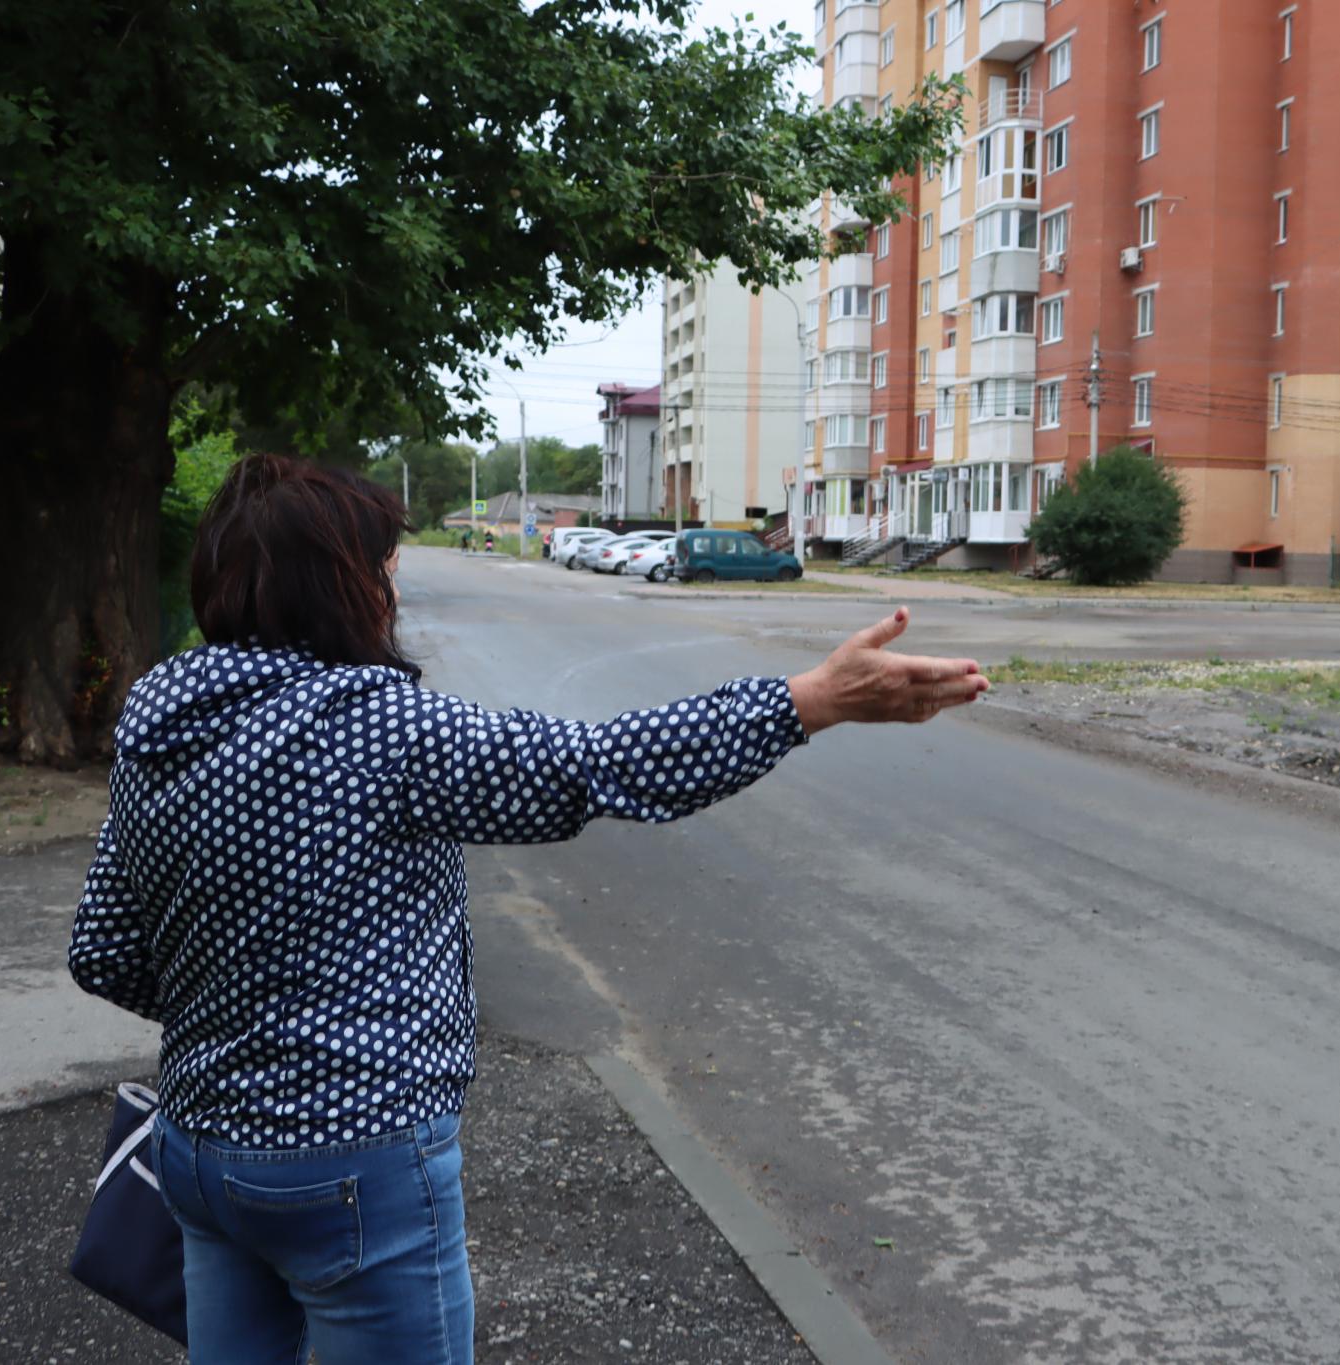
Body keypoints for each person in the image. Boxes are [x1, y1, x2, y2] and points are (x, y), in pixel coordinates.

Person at [68, 453, 986, 1364]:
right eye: (384, 571)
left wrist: (241, 1005)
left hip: (198, 1153)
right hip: (351, 1164)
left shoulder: (156, 717)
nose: (393, 593)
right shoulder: (374, 725)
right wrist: (809, 702)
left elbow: (102, 950)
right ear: (338, 588)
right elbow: (594, 764)